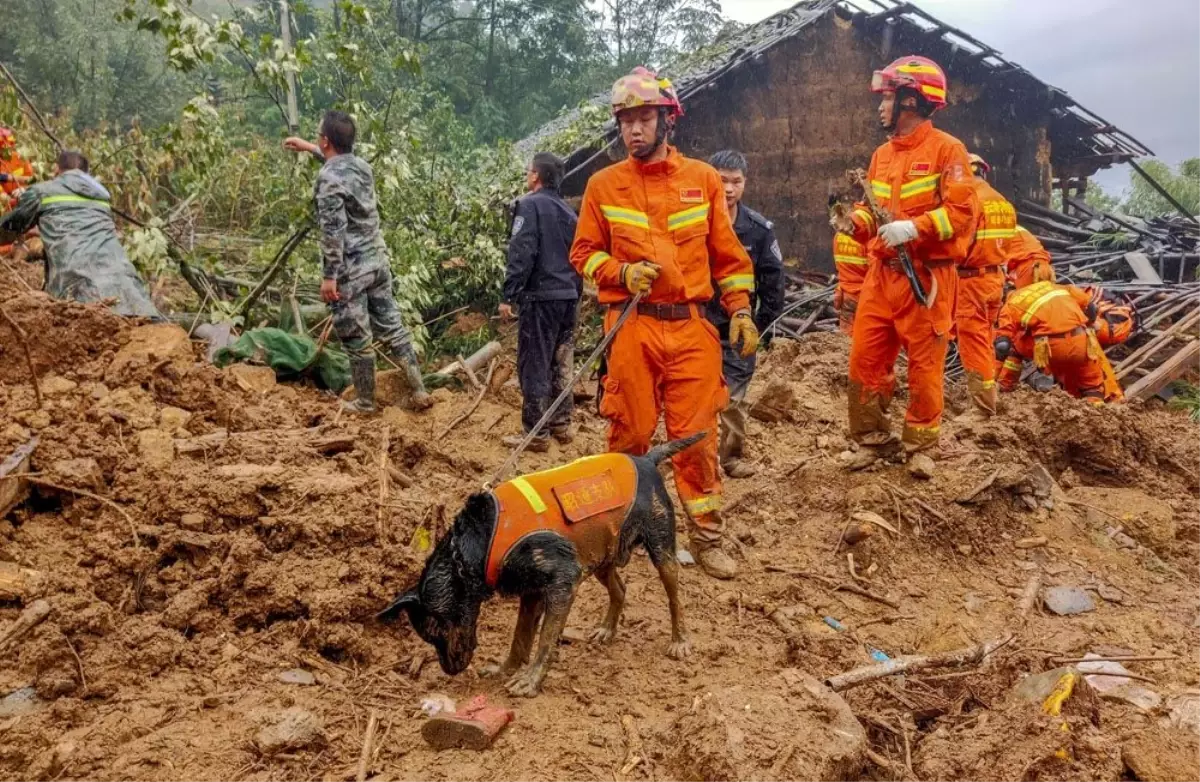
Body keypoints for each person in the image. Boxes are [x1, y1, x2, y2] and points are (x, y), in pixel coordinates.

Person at [570, 67, 758, 580]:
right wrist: (620, 272)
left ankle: (707, 536)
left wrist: (739, 308)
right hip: (631, 327)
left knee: (696, 437)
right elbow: (583, 253)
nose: (634, 129)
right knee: (627, 433)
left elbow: (728, 254)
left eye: (644, 118)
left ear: (667, 120)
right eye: (626, 120)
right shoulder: (603, 185)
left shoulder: (701, 180)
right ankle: (617, 536)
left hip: (692, 326)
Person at [832, 56, 978, 455]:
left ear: (910, 101)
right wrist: (855, 222)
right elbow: (874, 209)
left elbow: (962, 215)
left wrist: (915, 228)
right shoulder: (882, 155)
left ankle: (921, 447)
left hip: (926, 278)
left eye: (887, 97)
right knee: (865, 359)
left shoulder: (949, 151)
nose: (880, 106)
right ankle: (872, 440)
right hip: (882, 275)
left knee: (924, 366)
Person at [283, 111, 433, 414]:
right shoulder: (363, 167)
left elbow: (333, 231)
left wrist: (330, 277)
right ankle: (419, 389)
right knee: (393, 326)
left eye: (317, 136)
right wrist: (308, 148)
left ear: (326, 140)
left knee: (356, 336)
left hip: (350, 271)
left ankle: (365, 402)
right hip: (377, 263)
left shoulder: (327, 178)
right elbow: (341, 168)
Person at [0, 150, 160, 318]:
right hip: (130, 293)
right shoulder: (102, 197)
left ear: (56, 169)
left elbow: (10, 227)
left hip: (79, 294)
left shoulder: (42, 192)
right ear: (87, 173)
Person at [705, 149, 784, 479]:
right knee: (695, 401)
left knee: (733, 402)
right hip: (698, 328)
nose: (728, 189)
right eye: (721, 181)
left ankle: (731, 458)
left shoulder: (757, 229)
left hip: (738, 331)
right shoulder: (693, 224)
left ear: (745, 184)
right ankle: (698, 463)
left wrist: (760, 325)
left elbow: (773, 281)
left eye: (736, 182)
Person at [499, 152, 581, 452]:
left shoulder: (529, 205)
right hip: (569, 296)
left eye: (528, 171)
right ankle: (561, 423)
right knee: (562, 359)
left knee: (534, 361)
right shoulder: (569, 212)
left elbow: (522, 251)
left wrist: (509, 294)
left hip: (541, 296)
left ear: (535, 176)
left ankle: (535, 433)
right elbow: (579, 257)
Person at [956, 152, 1018, 417]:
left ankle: (982, 407)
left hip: (972, 281)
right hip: (995, 280)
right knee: (986, 339)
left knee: (974, 342)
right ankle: (988, 394)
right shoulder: (1003, 203)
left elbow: (959, 247)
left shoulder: (972, 200)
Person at [994, 280, 1123, 402]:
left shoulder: (1011, 304)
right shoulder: (1050, 285)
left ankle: (1005, 387)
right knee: (1092, 387)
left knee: (1015, 347)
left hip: (1052, 349)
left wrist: (994, 374)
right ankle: (1097, 412)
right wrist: (1089, 323)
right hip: (1082, 344)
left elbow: (1002, 346)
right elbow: (1091, 308)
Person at [830, 198, 869, 335]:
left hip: (846, 294)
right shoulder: (867, 239)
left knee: (846, 340)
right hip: (866, 296)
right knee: (867, 339)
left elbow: (839, 266)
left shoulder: (838, 236)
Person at [1005, 224, 1055, 290]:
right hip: (1043, 266)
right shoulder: (1013, 227)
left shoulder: (993, 234)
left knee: (1024, 297)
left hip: (1028, 269)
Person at [0, 128, 34, 214]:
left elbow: (32, 180)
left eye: (9, 143)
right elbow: (1, 194)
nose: (6, 147)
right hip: (8, 207)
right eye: (2, 144)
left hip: (27, 199)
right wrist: (10, 200)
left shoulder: (20, 158)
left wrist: (24, 189)